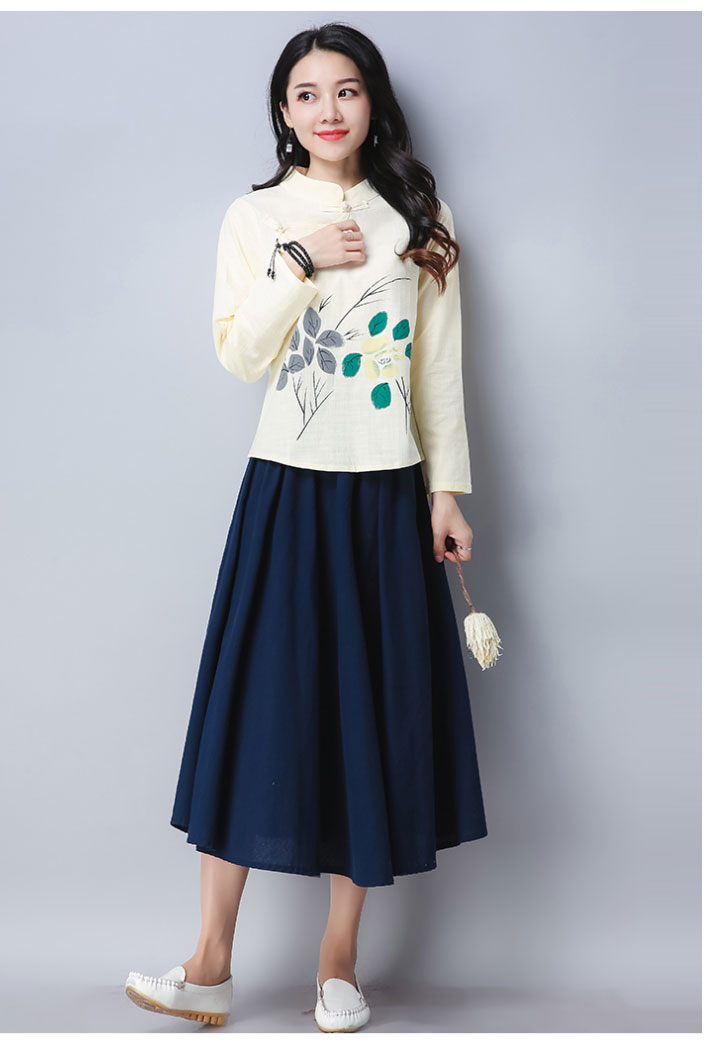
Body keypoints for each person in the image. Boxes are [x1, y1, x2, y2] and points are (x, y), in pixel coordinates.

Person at [125, 21, 488, 1032]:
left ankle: (338, 965)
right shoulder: (256, 218)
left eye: (347, 90)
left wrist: (446, 492)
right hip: (287, 490)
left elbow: (436, 367)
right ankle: (209, 964)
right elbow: (240, 355)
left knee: (367, 718)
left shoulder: (419, 213)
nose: (329, 110)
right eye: (306, 95)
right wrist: (296, 260)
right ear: (283, 114)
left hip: (387, 496)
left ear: (373, 102)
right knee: (256, 712)